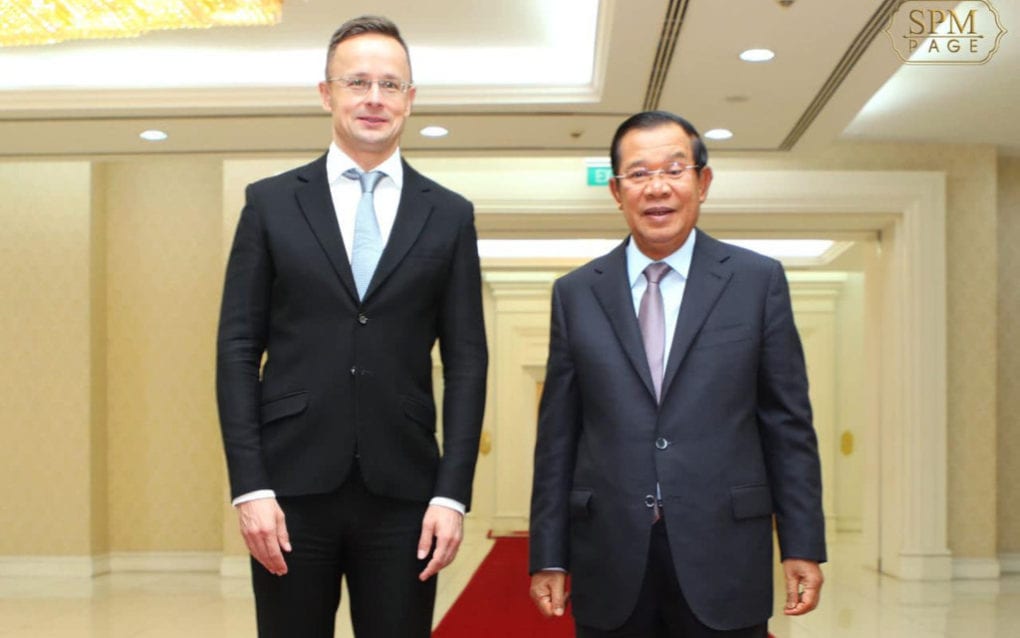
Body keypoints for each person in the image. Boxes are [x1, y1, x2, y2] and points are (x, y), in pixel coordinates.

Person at [216, 15, 487, 638]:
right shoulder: (271, 203)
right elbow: (236, 349)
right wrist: (249, 486)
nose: (374, 98)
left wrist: (452, 494)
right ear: (326, 93)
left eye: (390, 85)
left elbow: (468, 361)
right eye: (357, 81)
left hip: (407, 495)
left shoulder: (448, 215)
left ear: (410, 100)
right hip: (289, 491)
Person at [528, 110, 826, 637]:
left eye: (673, 169)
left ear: (702, 182)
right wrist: (548, 553)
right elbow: (558, 438)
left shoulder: (757, 282)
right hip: (611, 554)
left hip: (725, 552)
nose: (657, 187)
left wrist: (801, 542)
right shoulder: (575, 295)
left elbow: (788, 426)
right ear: (617, 192)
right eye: (638, 174)